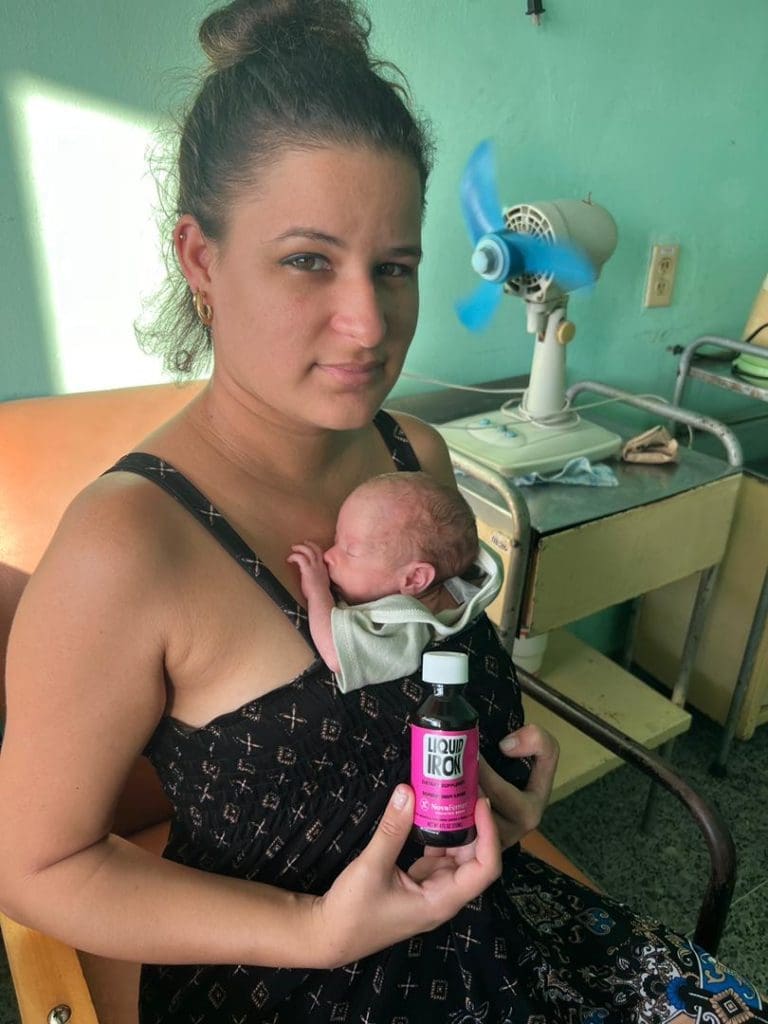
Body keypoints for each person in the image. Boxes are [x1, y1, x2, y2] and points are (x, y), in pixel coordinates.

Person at [0, 1, 763, 1021]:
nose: (369, 324)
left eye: (394, 267)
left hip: (477, 912)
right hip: (283, 978)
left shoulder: (415, 457)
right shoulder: (128, 546)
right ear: (201, 258)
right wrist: (315, 930)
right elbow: (36, 866)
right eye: (308, 260)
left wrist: (500, 777)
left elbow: (443, 669)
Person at [288, 470, 503, 693]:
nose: (329, 555)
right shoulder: (454, 589)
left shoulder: (407, 626)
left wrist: (317, 591)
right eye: (336, 539)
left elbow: (336, 655)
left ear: (414, 578)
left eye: (350, 551)